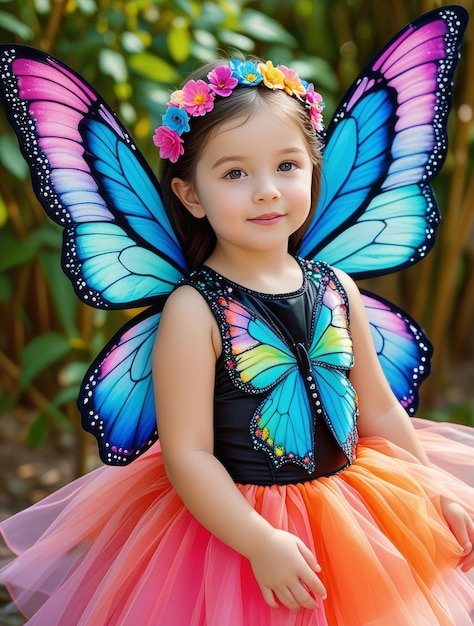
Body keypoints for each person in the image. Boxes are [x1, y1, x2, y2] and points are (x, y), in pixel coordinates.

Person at [1, 55, 474, 626]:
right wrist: (257, 540)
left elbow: (377, 407)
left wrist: (429, 487)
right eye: (234, 174)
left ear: (313, 170)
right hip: (240, 522)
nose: (267, 192)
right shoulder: (195, 309)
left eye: (287, 165)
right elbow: (188, 453)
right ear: (191, 195)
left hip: (358, 510)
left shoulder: (336, 288)